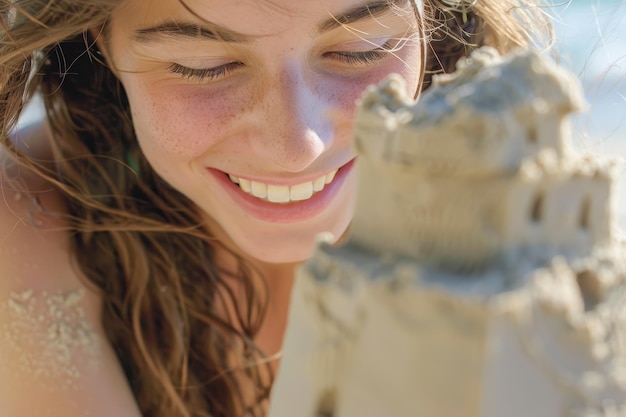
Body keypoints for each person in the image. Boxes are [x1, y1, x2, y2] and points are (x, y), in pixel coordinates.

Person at [0, 0, 552, 416]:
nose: (297, 147)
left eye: (360, 49)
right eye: (203, 64)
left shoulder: (546, 216)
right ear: (103, 41)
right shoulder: (25, 216)